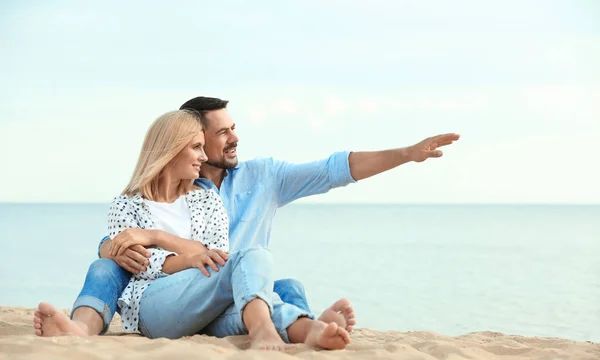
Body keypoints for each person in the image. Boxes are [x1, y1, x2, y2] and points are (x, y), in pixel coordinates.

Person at [35, 96, 459, 339]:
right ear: (188, 143)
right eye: (220, 134)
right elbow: (123, 246)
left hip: (233, 287)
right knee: (108, 263)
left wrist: (406, 154)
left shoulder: (260, 178)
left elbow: (334, 169)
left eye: (231, 129)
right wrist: (120, 244)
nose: (234, 138)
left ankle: (305, 326)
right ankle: (299, 323)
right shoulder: (172, 192)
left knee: (283, 284)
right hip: (183, 294)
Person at [34, 109, 351, 350]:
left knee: (256, 258)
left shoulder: (208, 202)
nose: (204, 156)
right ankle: (273, 328)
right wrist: (187, 259)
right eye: (196, 147)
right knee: (246, 264)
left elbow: (218, 258)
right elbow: (140, 265)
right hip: (155, 306)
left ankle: (306, 330)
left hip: (204, 305)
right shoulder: (126, 205)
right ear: (171, 149)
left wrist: (158, 238)